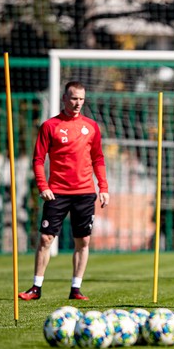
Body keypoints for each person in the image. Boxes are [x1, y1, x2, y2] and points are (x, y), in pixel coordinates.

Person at [18, 81, 110, 301]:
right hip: (57, 192)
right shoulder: (50, 126)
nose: (78, 103)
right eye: (74, 98)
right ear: (64, 98)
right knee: (46, 239)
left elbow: (98, 158)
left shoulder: (91, 127)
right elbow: (38, 159)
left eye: (81, 99)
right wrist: (43, 186)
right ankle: (36, 287)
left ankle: (75, 289)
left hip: (85, 192)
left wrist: (103, 187)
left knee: (83, 241)